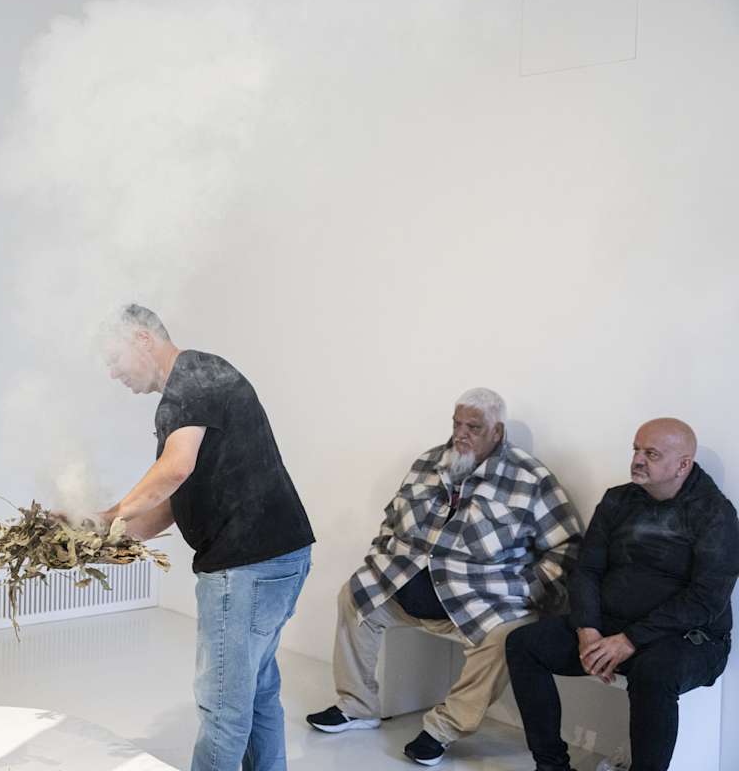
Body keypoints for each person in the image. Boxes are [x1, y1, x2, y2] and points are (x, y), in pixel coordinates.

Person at [306, 388, 583, 766]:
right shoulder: (429, 462)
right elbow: (391, 519)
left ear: (498, 431)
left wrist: (527, 590)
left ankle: (442, 729)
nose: (461, 434)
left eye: (474, 427)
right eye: (457, 424)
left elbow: (567, 547)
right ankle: (357, 705)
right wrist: (379, 555)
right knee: (354, 596)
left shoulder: (531, 478)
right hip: (407, 584)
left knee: (508, 636)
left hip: (479, 600)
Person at [98, 304, 315, 771]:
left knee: (223, 710)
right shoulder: (200, 377)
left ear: (142, 338)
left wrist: (114, 514)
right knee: (258, 693)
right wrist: (101, 536)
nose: (113, 373)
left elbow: (174, 470)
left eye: (114, 358)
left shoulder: (190, 382)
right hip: (282, 555)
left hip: (247, 567)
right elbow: (173, 503)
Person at [505, 418, 738, 771]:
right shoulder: (618, 499)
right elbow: (587, 569)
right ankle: (551, 765)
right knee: (524, 644)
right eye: (636, 449)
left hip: (688, 638)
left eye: (651, 454)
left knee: (653, 674)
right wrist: (587, 629)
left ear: (683, 465)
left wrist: (630, 640)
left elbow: (706, 599)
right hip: (612, 627)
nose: (638, 460)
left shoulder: (715, 513)